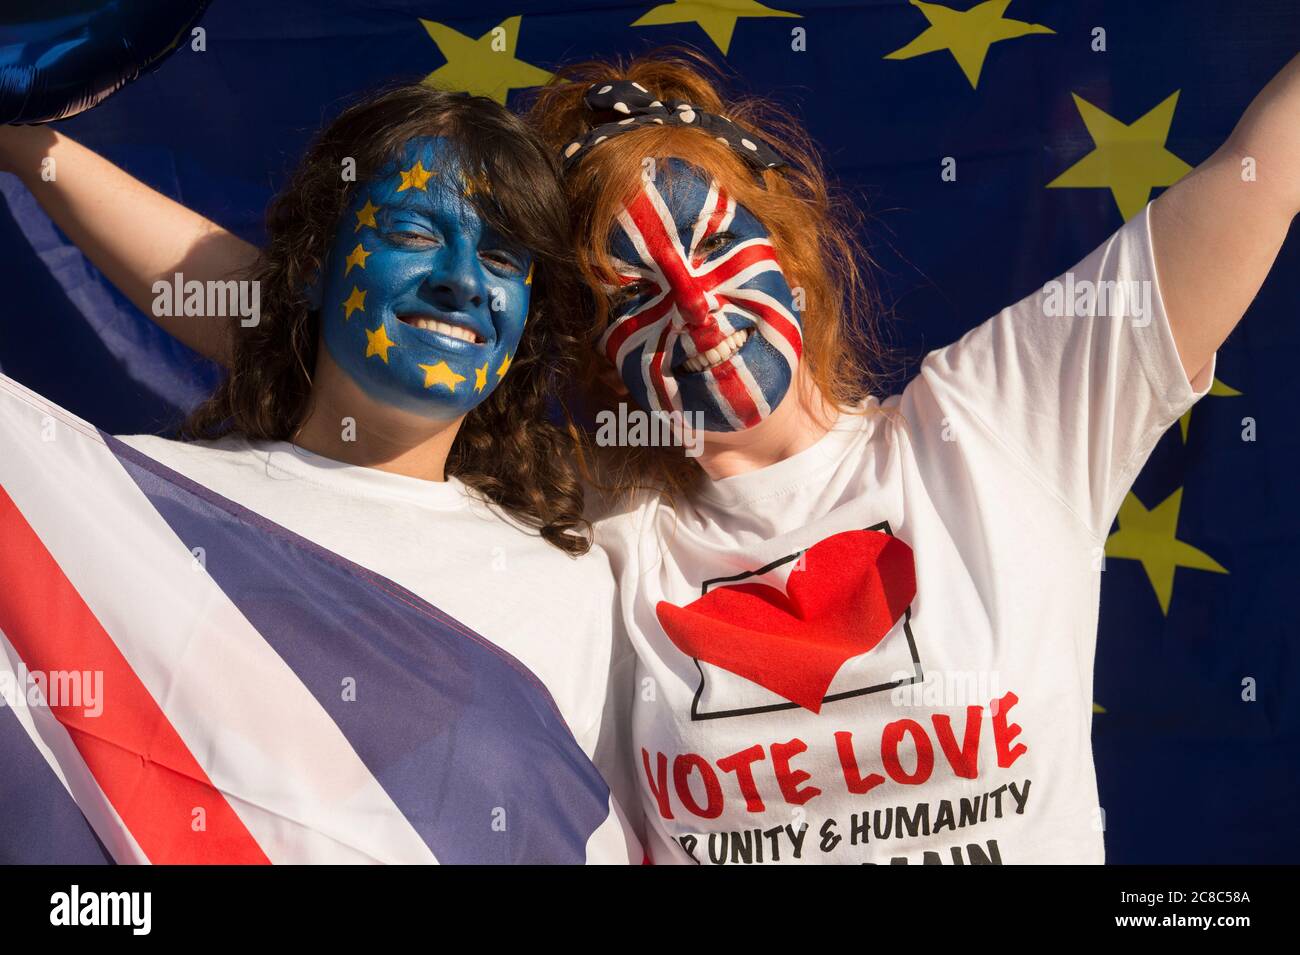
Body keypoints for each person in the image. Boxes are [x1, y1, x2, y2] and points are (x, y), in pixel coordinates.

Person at [520, 50, 1300, 864]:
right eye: (635, 292)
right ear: (603, 354)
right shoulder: (591, 549)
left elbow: (1269, 168)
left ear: (788, 259)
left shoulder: (997, 428)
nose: (698, 307)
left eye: (715, 243)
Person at [0, 85, 641, 863]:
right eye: (412, 231)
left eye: (503, 258)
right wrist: (22, 140)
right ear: (313, 266)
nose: (464, 280)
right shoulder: (120, 509)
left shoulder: (579, 581)